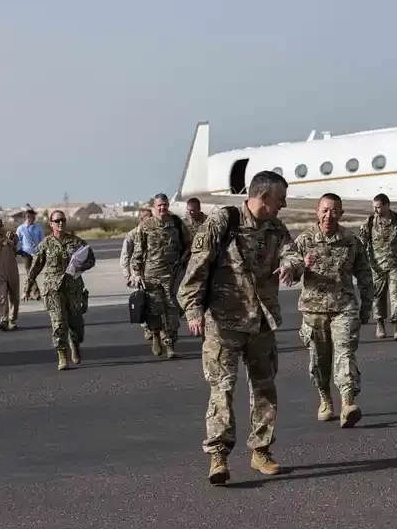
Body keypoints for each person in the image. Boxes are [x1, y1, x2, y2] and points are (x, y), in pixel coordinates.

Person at [177, 170, 304, 485]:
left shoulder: (276, 228)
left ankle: (261, 451)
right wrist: (193, 309)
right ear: (263, 197)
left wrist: (291, 266)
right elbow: (198, 263)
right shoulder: (224, 221)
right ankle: (218, 456)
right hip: (224, 322)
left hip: (262, 321)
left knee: (264, 387)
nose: (283, 205)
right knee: (222, 388)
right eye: (280, 199)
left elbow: (294, 255)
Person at [292, 193, 374, 426]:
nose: (329, 215)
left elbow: (364, 273)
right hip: (313, 310)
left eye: (334, 211)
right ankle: (325, 399)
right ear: (317, 211)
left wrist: (367, 305)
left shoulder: (350, 240)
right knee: (319, 360)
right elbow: (289, 269)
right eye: (325, 210)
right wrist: (301, 266)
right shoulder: (304, 240)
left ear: (341, 213)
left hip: (343, 307)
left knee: (345, 353)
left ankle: (348, 402)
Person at [23, 210, 95, 370]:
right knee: (58, 322)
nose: (60, 223)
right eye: (57, 221)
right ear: (51, 223)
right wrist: (27, 288)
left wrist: (80, 266)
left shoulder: (76, 242)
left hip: (73, 288)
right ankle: (62, 355)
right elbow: (34, 268)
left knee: (76, 323)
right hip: (53, 289)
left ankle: (75, 344)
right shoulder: (45, 244)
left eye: (62, 220)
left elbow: (91, 259)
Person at [132, 193, 190, 358]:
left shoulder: (177, 224)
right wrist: (136, 274)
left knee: (172, 309)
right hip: (151, 275)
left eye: (165, 205)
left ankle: (170, 344)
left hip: (172, 276)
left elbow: (189, 245)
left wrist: (184, 262)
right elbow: (138, 251)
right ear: (154, 207)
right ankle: (156, 334)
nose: (162, 208)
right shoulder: (146, 226)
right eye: (159, 205)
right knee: (154, 309)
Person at [358, 193, 397, 341]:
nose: (376, 210)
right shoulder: (370, 222)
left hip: (396, 264)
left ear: (387, 205)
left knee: (395, 295)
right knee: (378, 296)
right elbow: (361, 244)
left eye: (379, 207)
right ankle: (380, 323)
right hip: (377, 266)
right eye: (374, 207)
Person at [120, 207, 154, 340]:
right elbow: (125, 256)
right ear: (141, 219)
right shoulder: (132, 235)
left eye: (151, 216)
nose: (151, 218)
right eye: (148, 216)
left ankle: (158, 329)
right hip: (138, 274)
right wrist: (127, 275)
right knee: (141, 302)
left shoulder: (155, 233)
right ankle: (146, 328)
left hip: (154, 272)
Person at [0, 219, 21, 330]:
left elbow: (16, 241)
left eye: (0, 226)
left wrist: (13, 236)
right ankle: (3, 319)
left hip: (12, 272)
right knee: (2, 298)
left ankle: (12, 320)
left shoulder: (10, 239)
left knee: (14, 298)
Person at [16, 208, 44, 300]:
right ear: (27, 217)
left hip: (36, 253)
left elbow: (42, 240)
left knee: (33, 273)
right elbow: (17, 240)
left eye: (34, 216)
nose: (34, 218)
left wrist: (42, 251)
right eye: (32, 216)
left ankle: (27, 292)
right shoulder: (21, 228)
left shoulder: (38, 228)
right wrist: (18, 250)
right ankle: (36, 293)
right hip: (25, 253)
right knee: (29, 272)